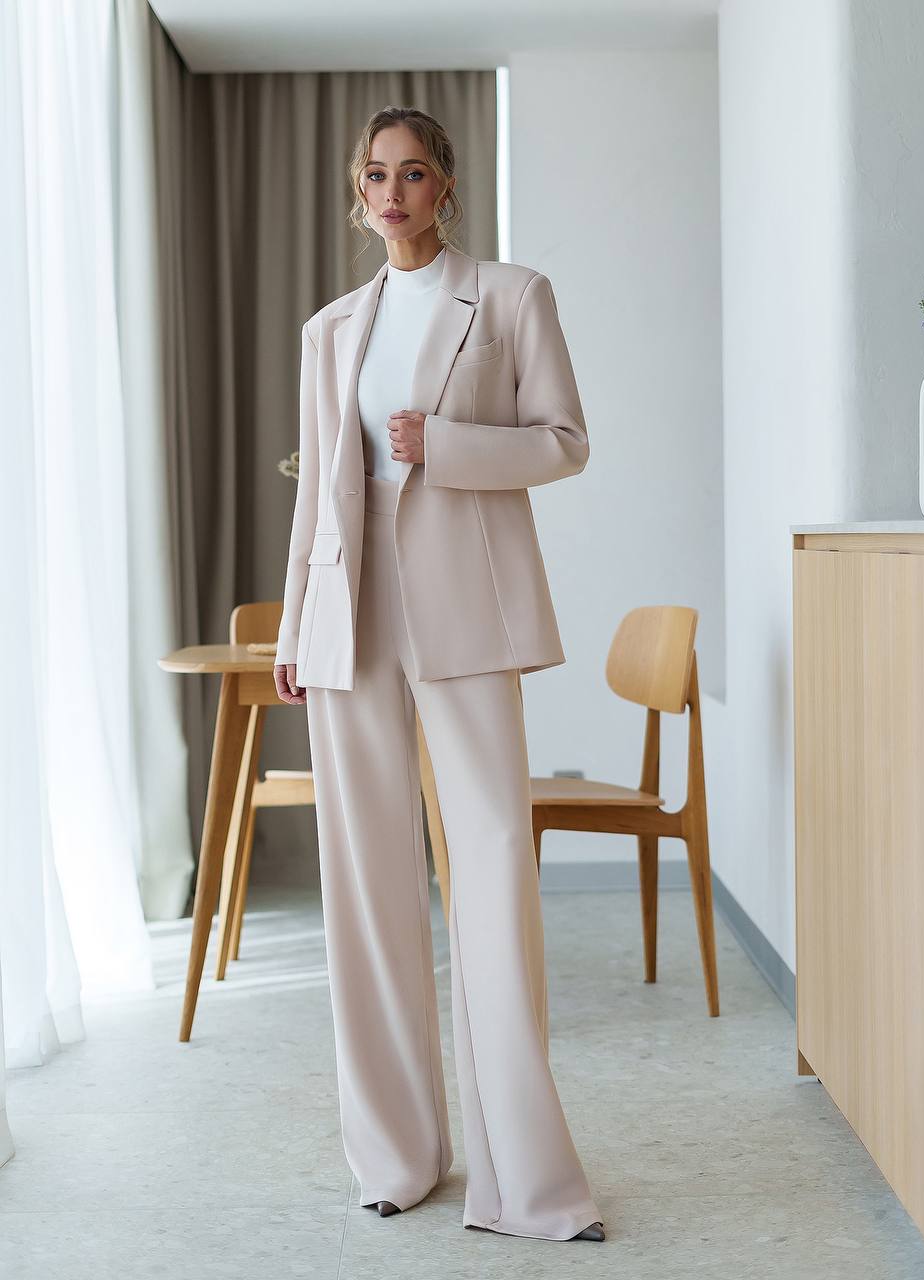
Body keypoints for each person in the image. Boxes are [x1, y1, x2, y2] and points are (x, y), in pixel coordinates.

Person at [273, 105, 604, 1244]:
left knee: (493, 872)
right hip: (349, 616)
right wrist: (291, 630)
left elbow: (564, 439)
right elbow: (320, 487)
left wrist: (445, 445)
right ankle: (396, 1155)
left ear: (445, 187)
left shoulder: (512, 297)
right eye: (375, 174)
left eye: (413, 173)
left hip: (468, 612)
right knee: (367, 884)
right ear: (356, 191)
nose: (393, 191)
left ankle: (527, 1181)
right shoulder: (330, 329)